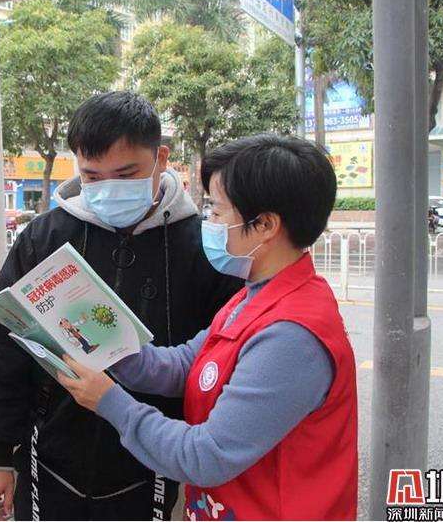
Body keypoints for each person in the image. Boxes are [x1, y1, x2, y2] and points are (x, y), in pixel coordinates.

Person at [0, 91, 243, 521]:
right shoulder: (46, 236)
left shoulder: (201, 246)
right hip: (50, 452)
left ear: (161, 158)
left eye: (126, 173)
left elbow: (222, 356)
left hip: (156, 460)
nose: (109, 188)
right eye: (92, 176)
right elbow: (0, 347)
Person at [57, 134, 358, 521]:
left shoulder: (291, 336)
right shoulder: (256, 295)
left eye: (216, 211)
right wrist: (113, 347)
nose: (208, 223)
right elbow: (187, 365)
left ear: (265, 225)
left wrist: (110, 401)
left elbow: (206, 455)